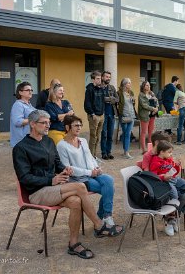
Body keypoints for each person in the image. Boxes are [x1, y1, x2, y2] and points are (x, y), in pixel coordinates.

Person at [13, 110, 123, 259]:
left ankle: (73, 244)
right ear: (32, 124)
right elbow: (25, 178)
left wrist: (65, 169)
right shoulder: (20, 148)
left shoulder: (48, 141)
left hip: (54, 189)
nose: (48, 126)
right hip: (37, 193)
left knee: (76, 201)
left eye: (48, 123)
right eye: (44, 123)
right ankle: (99, 225)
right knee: (80, 186)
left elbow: (57, 164)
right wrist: (50, 180)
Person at [56, 115, 124, 235]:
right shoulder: (62, 145)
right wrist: (89, 172)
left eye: (80, 125)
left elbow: (90, 157)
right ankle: (103, 220)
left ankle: (105, 217)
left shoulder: (83, 141)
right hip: (78, 180)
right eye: (76, 125)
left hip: (92, 173)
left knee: (108, 179)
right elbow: (68, 168)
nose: (79, 127)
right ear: (67, 127)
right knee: (109, 189)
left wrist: (95, 168)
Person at [149, 140, 185, 236]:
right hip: (165, 182)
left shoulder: (169, 159)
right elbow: (153, 176)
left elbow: (174, 172)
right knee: (175, 195)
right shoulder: (155, 161)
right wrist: (163, 177)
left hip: (174, 178)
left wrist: (177, 166)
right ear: (161, 152)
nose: (171, 154)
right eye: (169, 152)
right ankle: (170, 219)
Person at [84, 71, 105, 157]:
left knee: (98, 137)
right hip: (94, 116)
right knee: (93, 137)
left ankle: (94, 155)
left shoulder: (101, 89)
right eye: (97, 79)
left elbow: (102, 102)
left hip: (101, 115)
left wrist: (102, 113)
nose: (100, 80)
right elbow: (87, 104)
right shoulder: (89, 89)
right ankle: (90, 156)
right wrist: (92, 114)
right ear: (93, 79)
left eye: (100, 78)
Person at [10, 82, 36, 147]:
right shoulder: (18, 105)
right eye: (27, 90)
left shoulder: (29, 105)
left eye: (31, 90)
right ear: (20, 92)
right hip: (21, 141)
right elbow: (17, 122)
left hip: (30, 139)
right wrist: (34, 119)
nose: (30, 92)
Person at [101, 71, 118, 160]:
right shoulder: (100, 88)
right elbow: (101, 99)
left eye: (109, 77)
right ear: (102, 77)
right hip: (103, 113)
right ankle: (103, 152)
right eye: (106, 77)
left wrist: (109, 99)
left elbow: (117, 99)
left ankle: (109, 152)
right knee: (104, 134)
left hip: (112, 113)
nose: (108, 78)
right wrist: (110, 99)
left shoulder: (112, 87)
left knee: (110, 134)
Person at [118, 78, 136, 159]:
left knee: (128, 134)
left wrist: (133, 100)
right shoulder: (119, 93)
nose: (130, 84)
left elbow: (132, 104)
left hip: (131, 115)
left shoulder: (131, 92)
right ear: (124, 84)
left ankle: (126, 152)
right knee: (125, 133)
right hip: (124, 115)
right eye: (129, 83)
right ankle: (125, 151)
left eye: (130, 83)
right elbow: (117, 104)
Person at [138, 81, 158, 154]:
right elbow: (144, 105)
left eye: (149, 85)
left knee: (151, 132)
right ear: (143, 86)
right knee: (144, 132)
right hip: (145, 115)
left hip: (152, 115)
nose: (148, 86)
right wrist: (153, 109)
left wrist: (156, 108)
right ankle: (144, 149)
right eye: (146, 85)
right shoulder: (141, 95)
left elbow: (156, 101)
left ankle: (150, 148)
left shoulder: (152, 93)